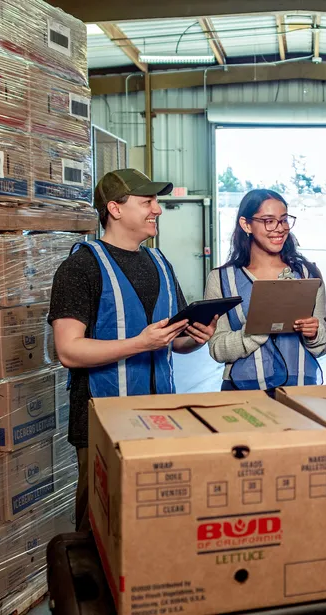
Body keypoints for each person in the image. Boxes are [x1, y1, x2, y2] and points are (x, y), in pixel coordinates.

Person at [48, 169, 217, 531]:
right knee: (100, 525)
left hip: (159, 416)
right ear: (115, 209)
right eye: (147, 202)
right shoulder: (80, 267)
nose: (157, 209)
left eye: (156, 202)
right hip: (103, 421)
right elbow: (68, 350)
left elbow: (174, 340)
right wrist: (141, 342)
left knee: (153, 524)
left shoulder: (159, 262)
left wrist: (195, 338)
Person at [204, 189, 326, 391]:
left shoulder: (308, 274)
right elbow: (217, 349)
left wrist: (314, 334)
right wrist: (256, 330)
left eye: (284, 220)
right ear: (246, 224)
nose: (279, 228)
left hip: (300, 391)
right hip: (242, 391)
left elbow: (322, 346)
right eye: (268, 221)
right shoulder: (221, 279)